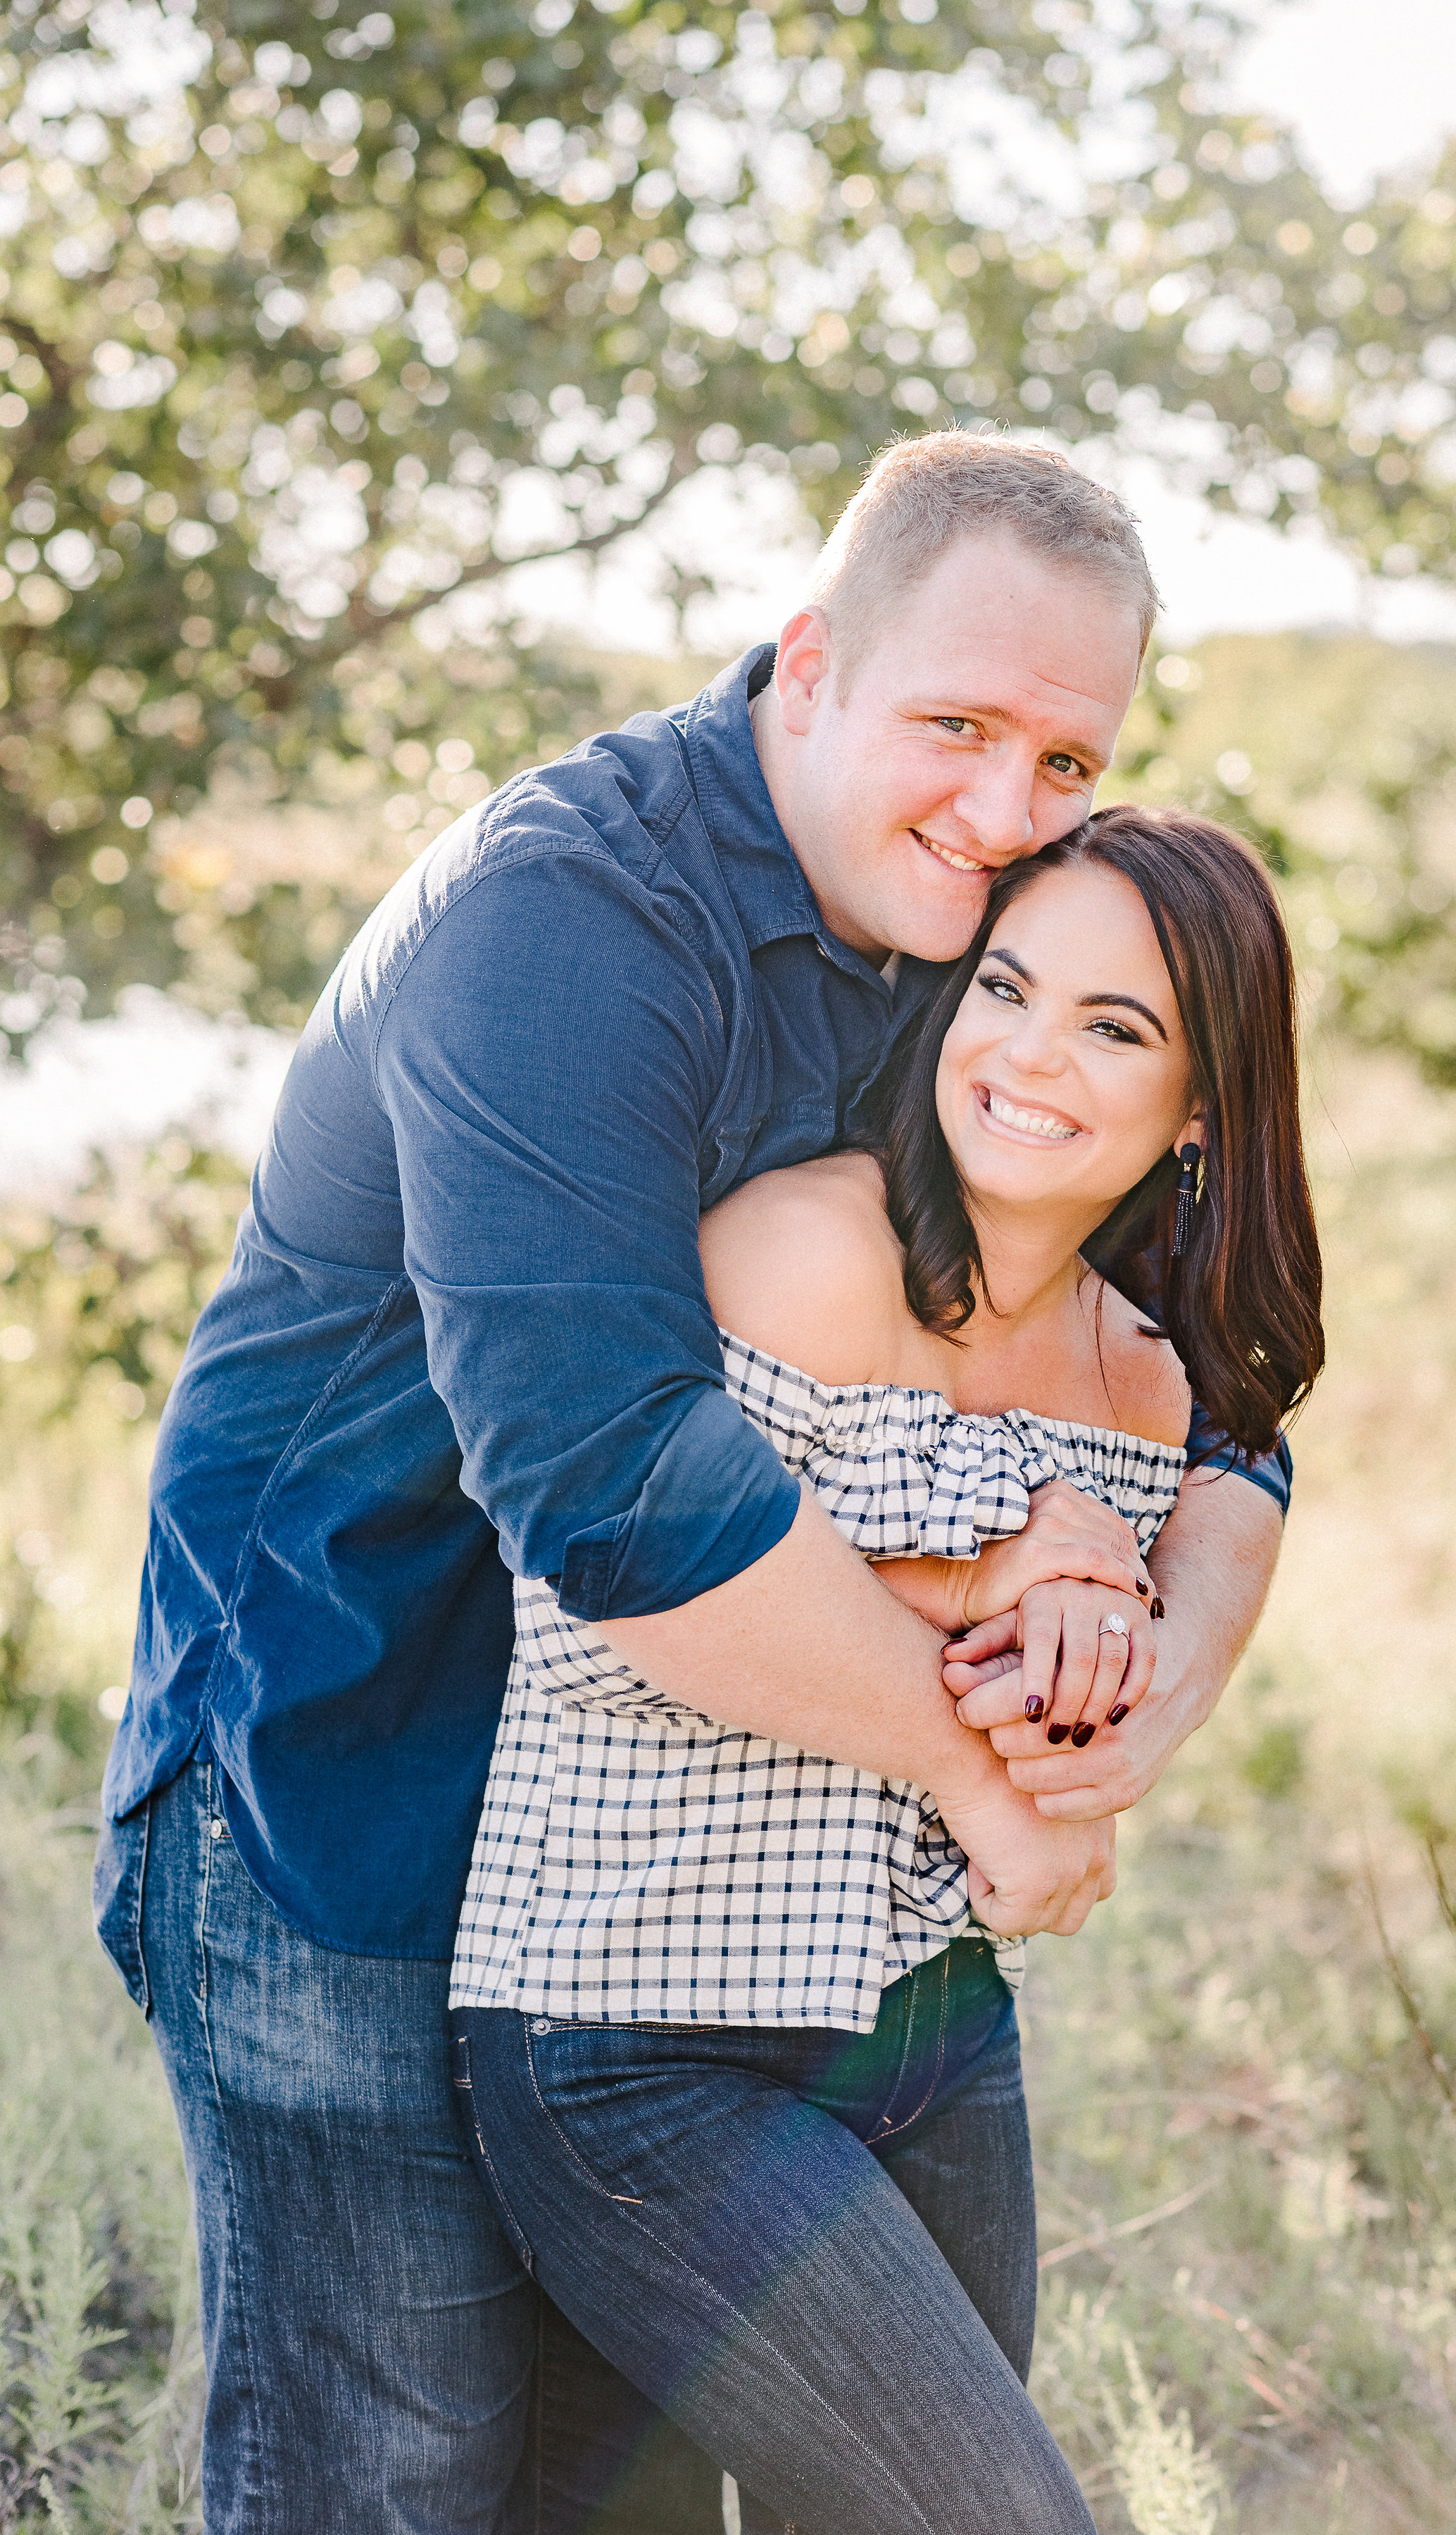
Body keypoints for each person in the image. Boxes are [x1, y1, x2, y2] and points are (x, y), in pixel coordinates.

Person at [92, 433, 1293, 2534]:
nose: (1004, 807)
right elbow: (617, 1487)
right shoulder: (564, 923)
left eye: (1064, 759)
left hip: (660, 1830)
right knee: (398, 2468)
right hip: (343, 1755)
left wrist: (1145, 1671)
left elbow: (1212, 1368)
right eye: (956, 727)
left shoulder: (963, 937)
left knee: (604, 2488)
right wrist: (996, 1775)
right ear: (807, 664)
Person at [448, 808, 1322, 2535]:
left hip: (934, 2032)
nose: (1027, 1054)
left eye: (1112, 1026)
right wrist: (994, 1605)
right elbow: (604, 1612)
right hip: (638, 2034)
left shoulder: (1147, 1379)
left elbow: (1098, 1657)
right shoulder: (803, 1249)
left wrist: (1091, 1661)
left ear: (1201, 1106)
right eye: (1004, 987)